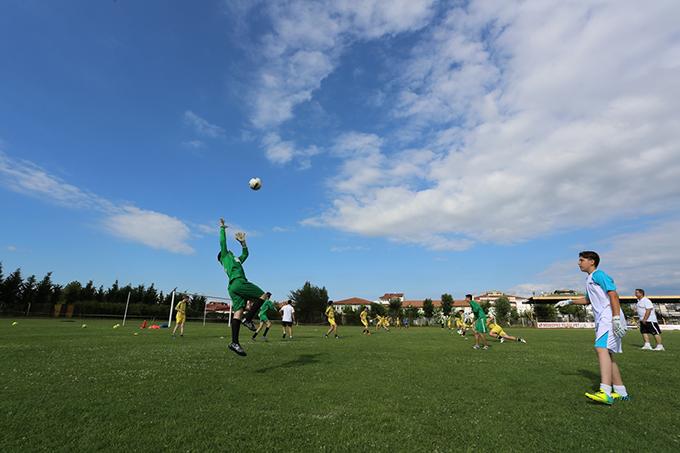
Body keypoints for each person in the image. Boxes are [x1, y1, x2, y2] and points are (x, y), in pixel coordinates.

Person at [556, 251, 629, 404]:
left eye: (581, 260)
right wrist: (569, 301)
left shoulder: (599, 274)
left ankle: (605, 391)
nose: (578, 263)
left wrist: (615, 318)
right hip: (604, 318)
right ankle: (621, 392)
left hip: (609, 316)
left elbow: (613, 295)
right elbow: (588, 300)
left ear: (592, 261)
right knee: (607, 353)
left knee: (600, 348)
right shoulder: (589, 279)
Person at [218, 218, 269, 357]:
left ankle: (234, 342)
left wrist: (243, 243)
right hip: (239, 282)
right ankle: (248, 319)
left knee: (238, 313)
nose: (229, 250)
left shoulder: (236, 260)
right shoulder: (225, 257)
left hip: (233, 287)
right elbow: (223, 242)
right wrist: (222, 228)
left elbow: (246, 254)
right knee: (263, 295)